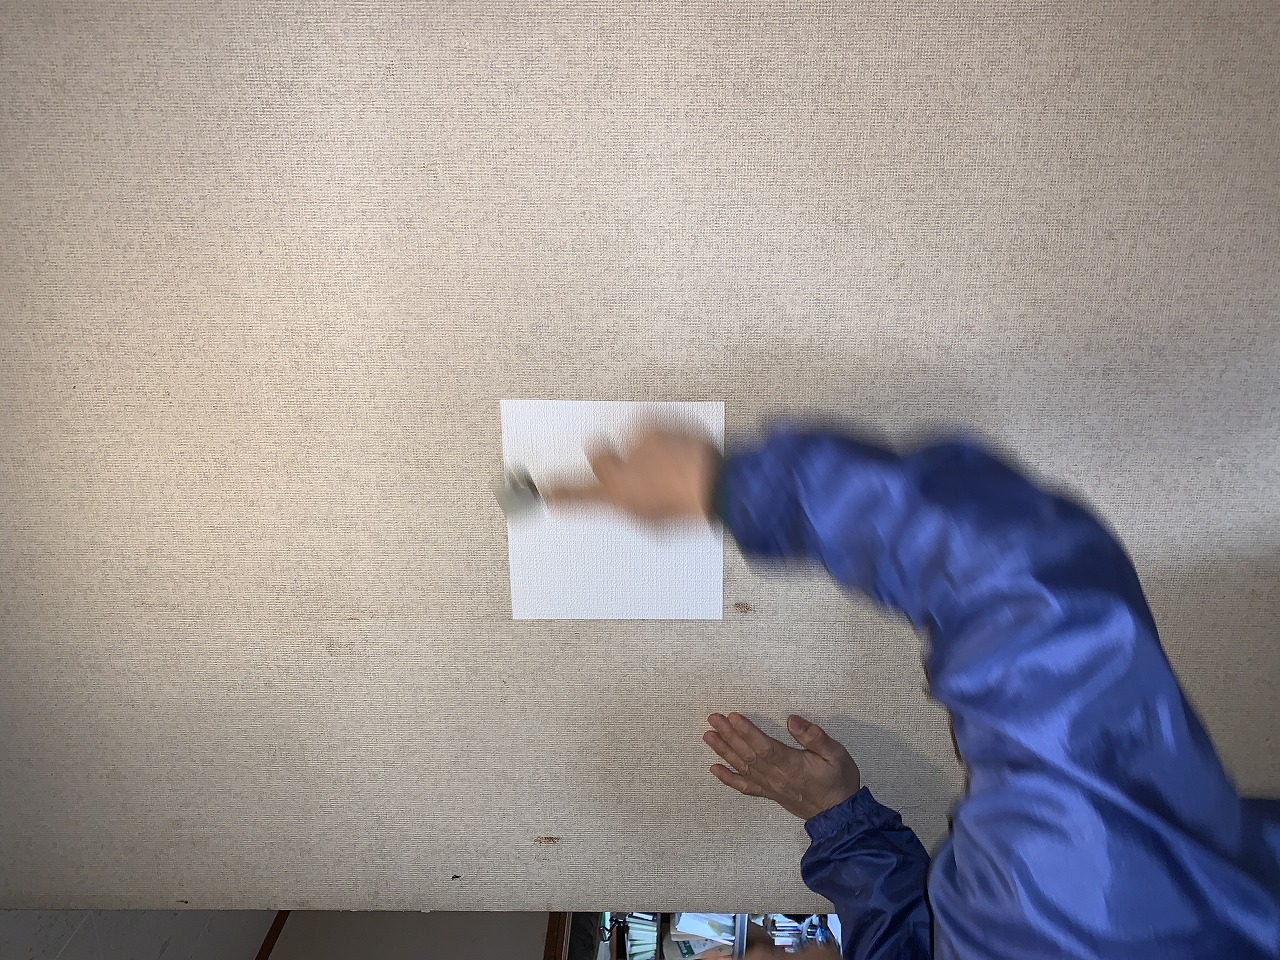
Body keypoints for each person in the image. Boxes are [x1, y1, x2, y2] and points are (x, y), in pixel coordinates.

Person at [545, 425, 1280, 960]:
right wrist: (733, 488)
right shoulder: (1063, 924)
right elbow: (1032, 592)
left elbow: (905, 942)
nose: (738, 950)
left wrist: (842, 821)